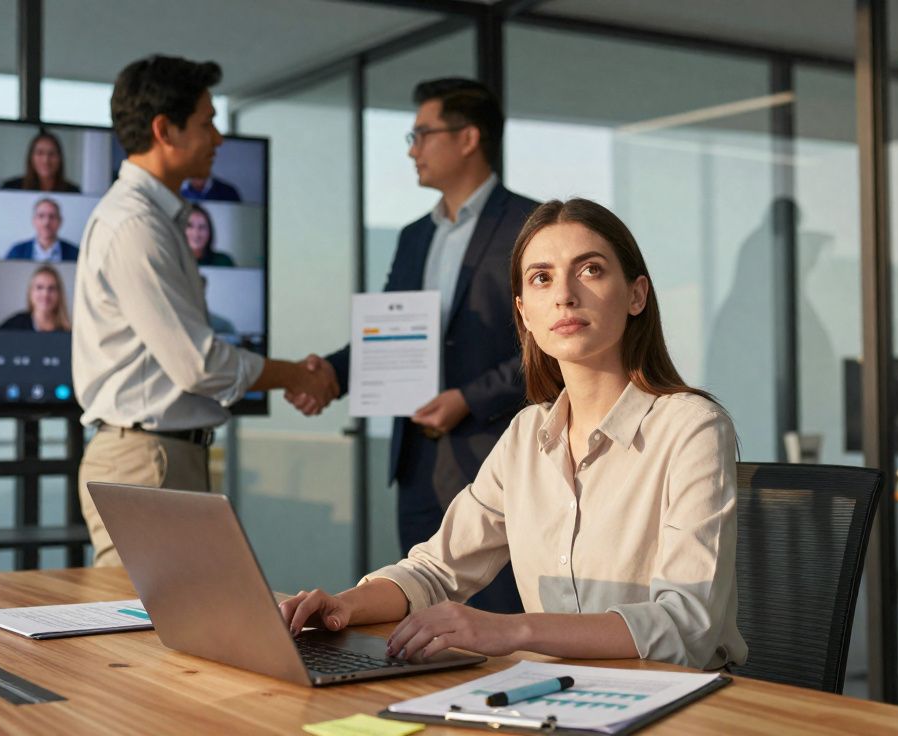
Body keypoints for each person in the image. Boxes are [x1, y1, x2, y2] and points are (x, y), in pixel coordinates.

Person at [280, 198, 746, 670]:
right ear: (524, 312)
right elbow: (436, 570)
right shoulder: (527, 435)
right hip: (556, 692)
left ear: (636, 295)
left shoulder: (693, 428)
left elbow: (686, 625)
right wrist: (343, 606)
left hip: (678, 697)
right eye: (542, 278)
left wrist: (512, 630)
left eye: (590, 270)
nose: (564, 295)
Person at [73, 55, 335, 567]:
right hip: (147, 463)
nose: (218, 138)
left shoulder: (154, 218)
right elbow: (198, 364)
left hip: (161, 458)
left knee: (187, 617)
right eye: (206, 123)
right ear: (164, 130)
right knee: (147, 620)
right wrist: (295, 376)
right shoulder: (136, 226)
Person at [288, 78, 535, 614]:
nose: (411, 149)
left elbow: (547, 345)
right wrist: (328, 373)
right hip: (418, 460)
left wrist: (468, 398)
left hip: (493, 454)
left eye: (423, 134)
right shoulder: (414, 236)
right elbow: (387, 334)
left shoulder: (529, 225)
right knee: (423, 612)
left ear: (468, 138)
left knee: (497, 620)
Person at [1, 131, 82, 192]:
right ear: (31, 157)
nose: (46, 160)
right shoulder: (10, 188)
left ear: (60, 158)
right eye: (40, 153)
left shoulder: (73, 191)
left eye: (52, 154)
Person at [5, 198, 80, 262]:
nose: (46, 222)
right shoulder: (17, 252)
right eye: (41, 216)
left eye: (52, 216)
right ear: (34, 220)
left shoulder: (75, 253)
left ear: (60, 221)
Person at [0, 265, 72, 332]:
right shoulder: (15, 324)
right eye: (39, 287)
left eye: (51, 288)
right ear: (30, 292)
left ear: (59, 294)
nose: (45, 294)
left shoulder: (67, 331)